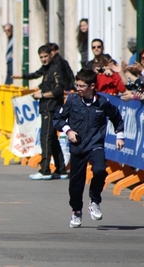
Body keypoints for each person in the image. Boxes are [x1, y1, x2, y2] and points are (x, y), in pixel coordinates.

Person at [53, 68, 124, 228]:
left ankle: (95, 201)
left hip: (95, 144)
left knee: (100, 170)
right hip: (78, 146)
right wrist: (68, 131)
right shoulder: (72, 100)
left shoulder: (102, 103)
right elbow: (57, 119)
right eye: (76, 84)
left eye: (81, 85)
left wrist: (120, 136)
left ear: (92, 86)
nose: (78, 88)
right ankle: (76, 211)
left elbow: (117, 118)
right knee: (76, 184)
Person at [15, 45, 67, 180]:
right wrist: (21, 76)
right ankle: (61, 169)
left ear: (51, 55)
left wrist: (42, 95)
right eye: (41, 57)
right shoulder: (47, 69)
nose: (43, 59)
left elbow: (58, 91)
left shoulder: (55, 69)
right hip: (46, 107)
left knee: (46, 139)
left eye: (45, 56)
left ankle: (45, 170)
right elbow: (36, 75)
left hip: (51, 108)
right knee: (52, 140)